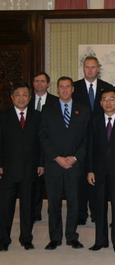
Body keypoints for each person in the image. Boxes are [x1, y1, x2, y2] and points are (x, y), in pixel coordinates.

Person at [40, 76, 90, 250]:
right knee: (53, 203)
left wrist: (75, 157)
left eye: (68, 87)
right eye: (61, 87)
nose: (65, 90)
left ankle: (71, 236)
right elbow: (43, 137)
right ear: (57, 89)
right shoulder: (47, 109)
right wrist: (57, 157)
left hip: (74, 165)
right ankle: (55, 237)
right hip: (54, 164)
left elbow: (86, 139)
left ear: (73, 89)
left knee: (74, 202)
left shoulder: (83, 110)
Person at [87, 88, 115, 253]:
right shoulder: (95, 120)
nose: (108, 102)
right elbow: (90, 147)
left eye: (111, 99)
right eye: (104, 99)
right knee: (99, 207)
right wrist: (90, 170)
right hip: (98, 171)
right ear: (100, 103)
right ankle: (100, 240)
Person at [0, 83, 43, 251]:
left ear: (30, 98)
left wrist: (41, 163)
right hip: (8, 170)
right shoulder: (3, 116)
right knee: (5, 207)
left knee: (28, 206)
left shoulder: (37, 116)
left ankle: (26, 238)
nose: (21, 97)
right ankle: (4, 239)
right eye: (18, 94)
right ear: (12, 98)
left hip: (30, 169)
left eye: (25, 94)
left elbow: (41, 143)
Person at [73, 56, 113, 225]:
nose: (90, 70)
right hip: (79, 139)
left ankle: (97, 214)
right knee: (80, 178)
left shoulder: (107, 88)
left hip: (100, 139)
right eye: (87, 67)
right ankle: (81, 214)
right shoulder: (74, 87)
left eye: (93, 67)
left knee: (98, 179)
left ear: (98, 68)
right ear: (83, 68)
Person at [29, 72, 58, 223]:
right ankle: (34, 212)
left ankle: (52, 213)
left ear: (48, 84)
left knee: (51, 184)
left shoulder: (56, 101)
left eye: (42, 81)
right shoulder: (26, 100)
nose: (39, 84)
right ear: (33, 84)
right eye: (36, 81)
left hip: (50, 147)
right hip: (31, 148)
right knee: (34, 183)